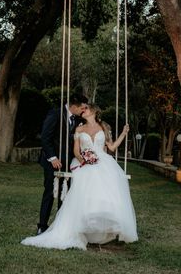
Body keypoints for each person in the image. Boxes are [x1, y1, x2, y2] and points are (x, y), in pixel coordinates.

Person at [22, 104, 138, 250]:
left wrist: (123, 133)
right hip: (84, 162)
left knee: (106, 188)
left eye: (87, 109)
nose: (83, 111)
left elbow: (112, 147)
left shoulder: (104, 128)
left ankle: (102, 222)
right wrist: (85, 160)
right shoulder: (79, 129)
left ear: (95, 112)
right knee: (85, 187)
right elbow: (76, 151)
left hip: (103, 161)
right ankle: (81, 225)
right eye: (83, 109)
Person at [35, 94, 88, 235]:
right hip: (51, 162)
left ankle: (59, 226)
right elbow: (45, 137)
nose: (83, 110)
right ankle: (42, 226)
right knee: (50, 192)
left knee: (64, 194)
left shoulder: (78, 119)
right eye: (82, 108)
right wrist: (53, 158)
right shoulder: (55, 114)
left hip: (69, 162)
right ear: (73, 106)